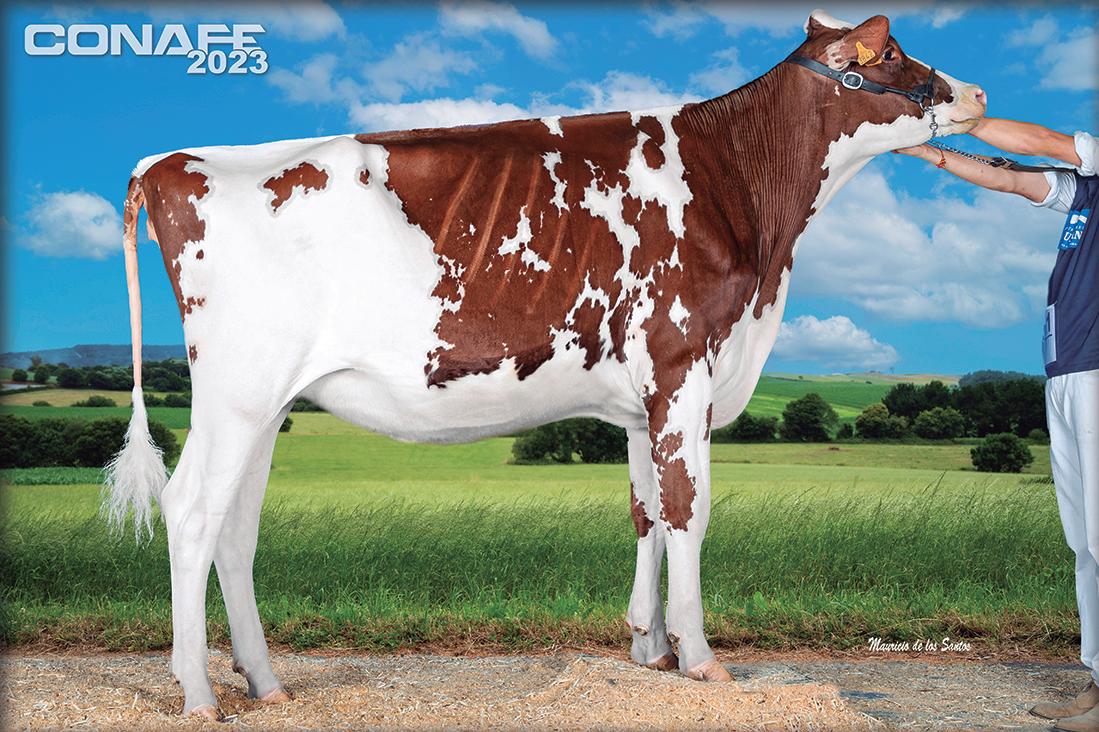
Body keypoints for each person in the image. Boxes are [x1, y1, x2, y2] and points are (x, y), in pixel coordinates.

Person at [897, 121, 1098, 732]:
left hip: (1096, 374)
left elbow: (1040, 145)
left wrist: (967, 117)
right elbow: (1009, 178)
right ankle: (1097, 682)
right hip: (1068, 371)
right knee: (1085, 545)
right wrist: (921, 146)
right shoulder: (1085, 192)